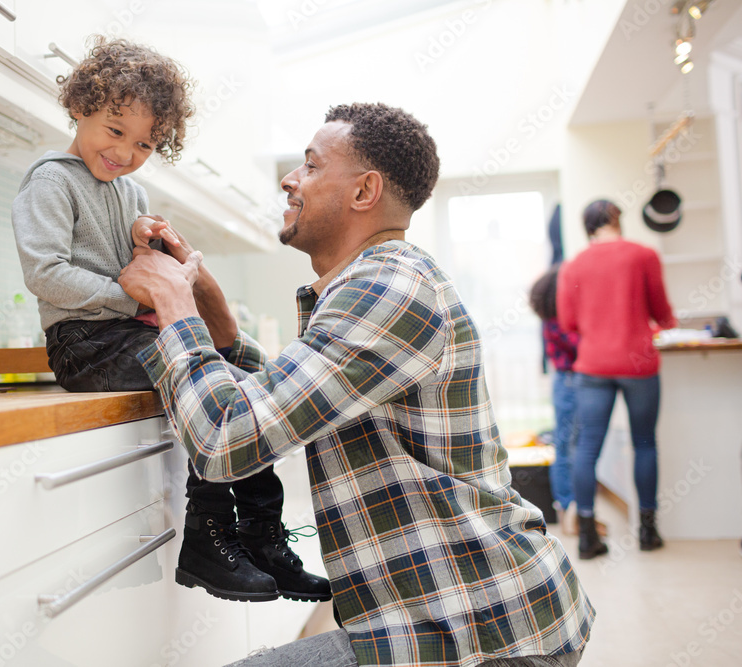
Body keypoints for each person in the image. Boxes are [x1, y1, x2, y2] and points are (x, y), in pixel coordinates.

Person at [118, 103, 594, 667]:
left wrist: (173, 301)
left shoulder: (387, 286)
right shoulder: (379, 279)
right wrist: (213, 315)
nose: (289, 180)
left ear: (364, 191)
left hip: (479, 632)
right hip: (456, 619)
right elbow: (293, 395)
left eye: (311, 165)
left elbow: (226, 438)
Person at [10, 36, 329, 604]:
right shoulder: (51, 181)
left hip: (128, 335)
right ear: (79, 107)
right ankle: (208, 537)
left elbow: (135, 266)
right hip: (84, 344)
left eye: (144, 144)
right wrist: (130, 296)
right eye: (115, 130)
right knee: (221, 392)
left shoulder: (130, 191)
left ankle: (261, 539)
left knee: (242, 394)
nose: (125, 152)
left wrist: (145, 242)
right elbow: (45, 273)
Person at [557, 200, 677, 560]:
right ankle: (648, 531)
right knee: (645, 443)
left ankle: (587, 536)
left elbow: (567, 322)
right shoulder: (643, 255)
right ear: (616, 219)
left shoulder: (573, 265)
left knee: (586, 448)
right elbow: (663, 313)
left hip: (593, 366)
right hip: (638, 365)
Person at [529, 266, 581, 535]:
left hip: (565, 381)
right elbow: (579, 346)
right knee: (570, 448)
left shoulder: (550, 318)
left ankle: (568, 509)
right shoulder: (561, 320)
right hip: (572, 380)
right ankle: (571, 510)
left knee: (566, 446)